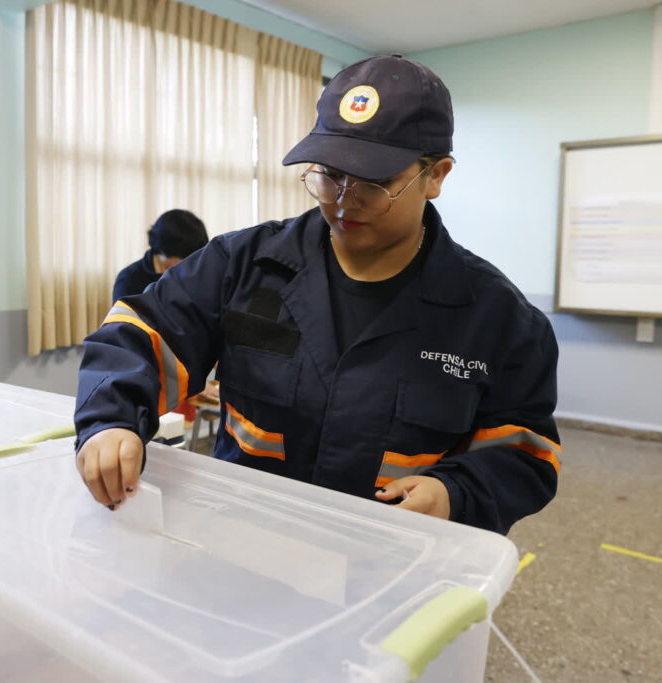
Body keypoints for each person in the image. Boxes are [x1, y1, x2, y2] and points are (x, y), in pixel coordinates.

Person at [74, 56, 560, 534]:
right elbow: (138, 335)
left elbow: (524, 454)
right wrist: (111, 421)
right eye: (329, 174)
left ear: (436, 175)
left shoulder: (499, 319)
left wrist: (457, 493)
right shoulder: (240, 266)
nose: (345, 200)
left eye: (374, 183)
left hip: (391, 561)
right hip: (246, 542)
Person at [112, 209, 209, 302]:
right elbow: (123, 318)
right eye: (185, 258)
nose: (191, 265)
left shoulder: (197, 273)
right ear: (164, 252)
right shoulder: (129, 279)